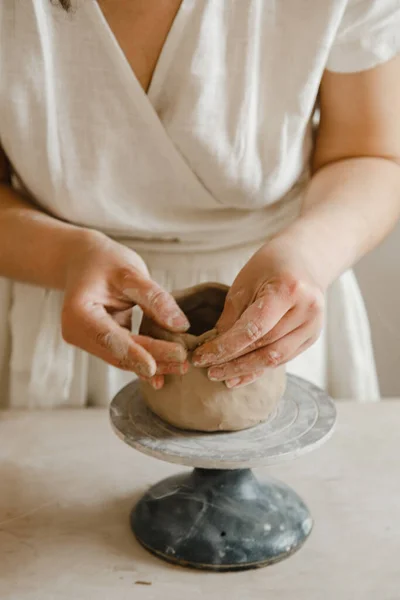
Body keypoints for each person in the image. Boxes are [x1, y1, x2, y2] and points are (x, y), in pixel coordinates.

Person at [0, 0, 399, 409]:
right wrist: (65, 257)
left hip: (277, 317)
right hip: (65, 317)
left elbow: (370, 154)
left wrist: (310, 254)